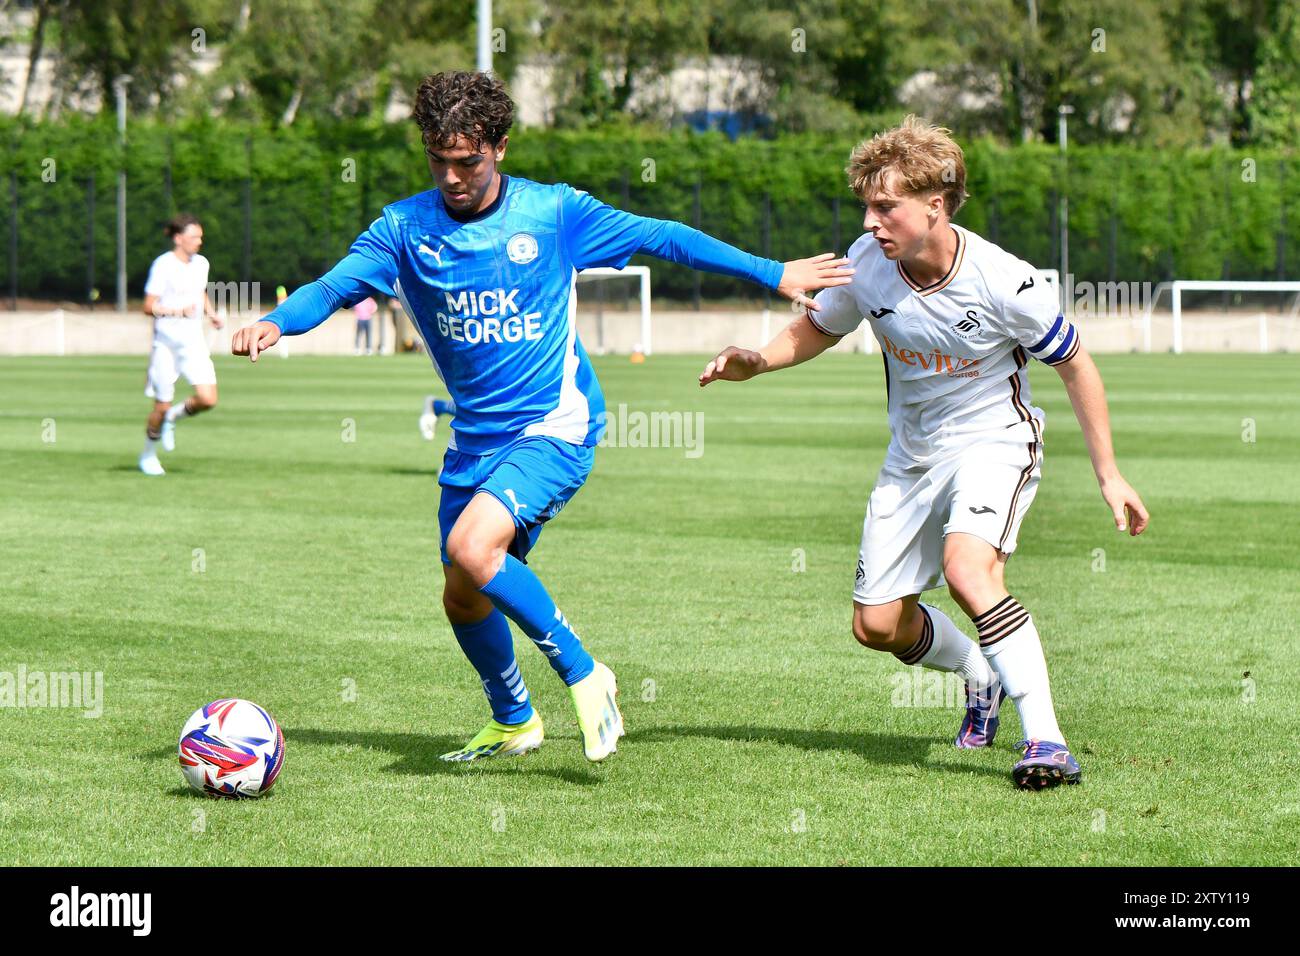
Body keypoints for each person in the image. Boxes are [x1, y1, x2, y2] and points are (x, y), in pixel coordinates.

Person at [232, 70, 852, 764]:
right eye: (438, 159)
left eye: (467, 160)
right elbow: (335, 285)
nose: (452, 175)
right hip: (476, 443)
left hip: (556, 426)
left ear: (499, 146)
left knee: (473, 550)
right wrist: (276, 321)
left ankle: (587, 675)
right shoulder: (404, 228)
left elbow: (662, 235)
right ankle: (514, 720)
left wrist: (772, 272)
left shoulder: (553, 213)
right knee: (462, 596)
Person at [699, 116, 1149, 789]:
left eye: (886, 206)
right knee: (877, 624)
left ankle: (1047, 740)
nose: (873, 221)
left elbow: (1076, 362)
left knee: (968, 569)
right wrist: (757, 361)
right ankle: (977, 673)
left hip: (995, 440)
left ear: (934, 205)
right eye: (867, 206)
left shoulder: (1005, 281)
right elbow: (821, 325)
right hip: (911, 457)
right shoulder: (869, 262)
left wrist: (1109, 474)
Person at [139, 214, 223, 476]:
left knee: (208, 399)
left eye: (201, 237)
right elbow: (148, 306)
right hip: (165, 344)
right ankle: (148, 455)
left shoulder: (201, 264)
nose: (199, 242)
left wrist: (211, 313)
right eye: (194, 237)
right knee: (160, 406)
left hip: (193, 342)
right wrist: (176, 311)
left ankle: (174, 418)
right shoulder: (162, 265)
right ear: (178, 238)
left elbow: (200, 291)